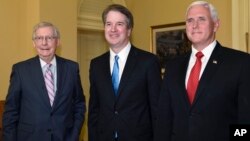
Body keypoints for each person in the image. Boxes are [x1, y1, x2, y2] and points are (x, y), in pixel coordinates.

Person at [154, 1, 250, 141]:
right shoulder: (173, 66)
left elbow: (245, 119)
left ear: (216, 24)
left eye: (201, 19)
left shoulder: (240, 63)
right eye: (190, 20)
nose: (194, 26)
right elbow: (164, 119)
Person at [88, 4, 162, 141]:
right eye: (109, 24)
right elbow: (94, 110)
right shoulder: (96, 64)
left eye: (119, 24)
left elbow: (157, 110)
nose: (113, 29)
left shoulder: (148, 62)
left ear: (129, 30)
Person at [2, 22, 86, 141]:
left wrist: (74, 134)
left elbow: (79, 105)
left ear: (57, 41)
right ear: (34, 43)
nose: (44, 42)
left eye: (49, 38)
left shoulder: (71, 68)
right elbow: (11, 112)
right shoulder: (20, 70)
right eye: (39, 38)